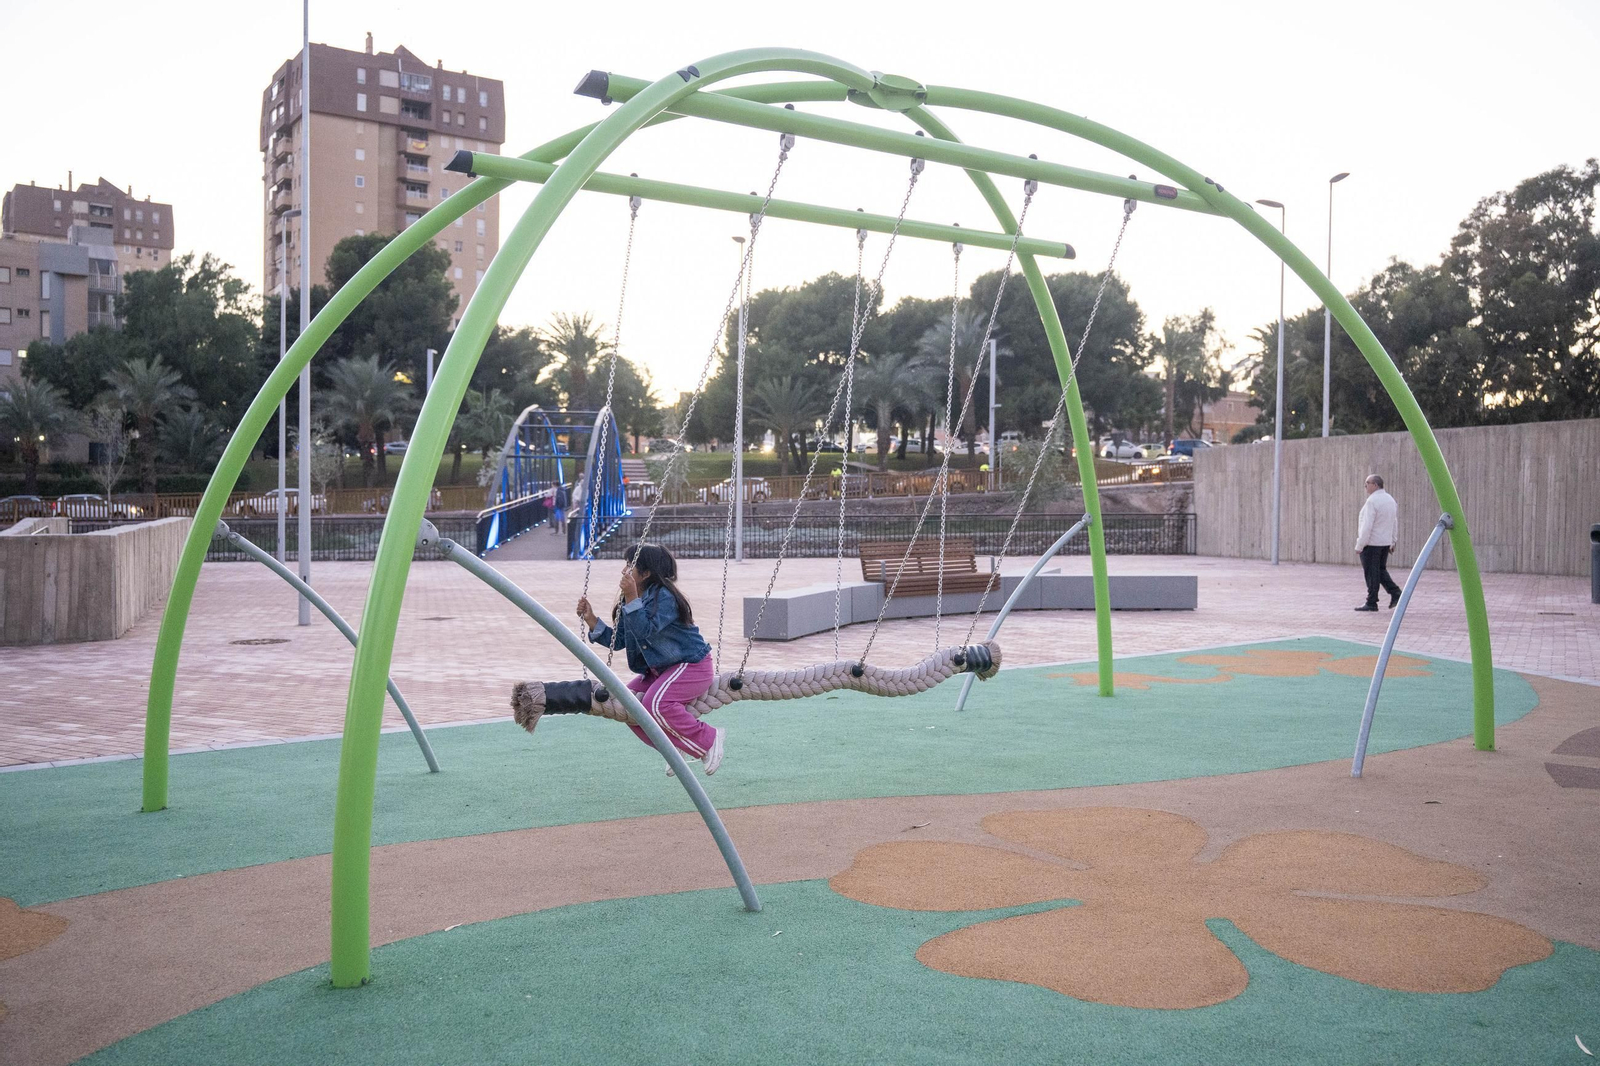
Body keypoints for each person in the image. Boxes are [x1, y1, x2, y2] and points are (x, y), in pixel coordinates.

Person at [577, 543, 724, 774]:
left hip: (691, 665)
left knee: (656, 703)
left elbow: (645, 630)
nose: (624, 570)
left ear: (645, 573)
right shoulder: (630, 601)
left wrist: (631, 596)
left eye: (630, 565)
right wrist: (592, 619)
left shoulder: (664, 597)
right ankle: (674, 748)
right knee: (627, 705)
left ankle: (708, 739)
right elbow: (619, 640)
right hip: (661, 671)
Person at [1354, 474, 1401, 612]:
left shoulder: (1372, 502)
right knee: (1379, 571)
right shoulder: (1390, 500)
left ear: (1375, 485)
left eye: (1367, 483)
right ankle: (1394, 593)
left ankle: (1372, 601)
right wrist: (1393, 540)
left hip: (1371, 543)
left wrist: (1360, 544)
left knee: (1371, 573)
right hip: (1384, 542)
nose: (1365, 486)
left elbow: (1367, 525)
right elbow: (1394, 522)